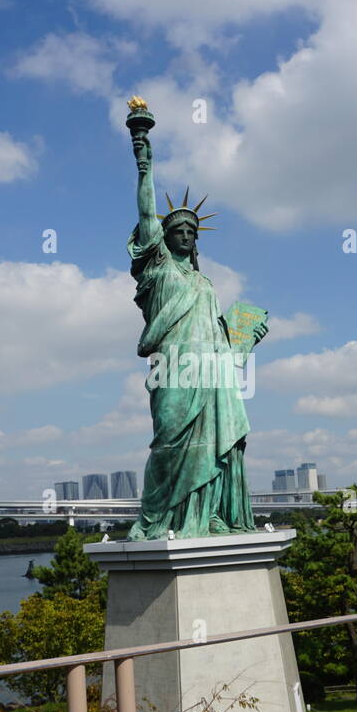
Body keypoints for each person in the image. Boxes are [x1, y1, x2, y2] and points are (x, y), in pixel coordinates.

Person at [125, 128, 266, 541]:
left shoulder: (206, 284)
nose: (185, 234)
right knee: (168, 441)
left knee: (216, 444)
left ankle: (209, 517)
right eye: (177, 230)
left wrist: (244, 337)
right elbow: (146, 215)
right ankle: (157, 519)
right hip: (174, 368)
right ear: (163, 240)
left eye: (191, 230)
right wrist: (144, 166)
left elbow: (222, 335)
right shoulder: (159, 270)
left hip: (212, 371)